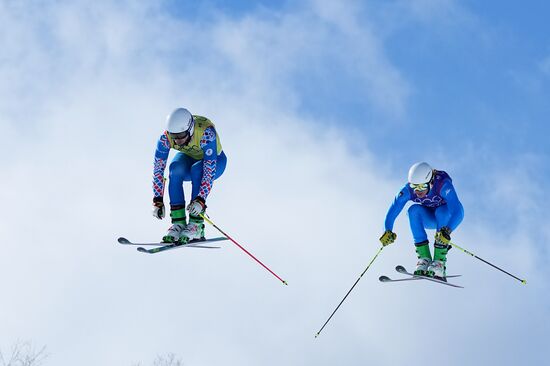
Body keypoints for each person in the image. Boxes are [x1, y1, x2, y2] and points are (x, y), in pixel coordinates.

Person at [151, 107, 227, 243]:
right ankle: (178, 223)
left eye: (181, 136)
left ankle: (196, 226)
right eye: (174, 137)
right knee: (175, 169)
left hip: (216, 161)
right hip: (190, 156)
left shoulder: (206, 134)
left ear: (190, 129)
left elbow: (209, 170)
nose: (178, 141)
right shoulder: (165, 139)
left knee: (198, 170)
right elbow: (158, 169)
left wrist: (200, 200)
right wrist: (157, 199)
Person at [379, 162, 464, 280]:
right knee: (413, 211)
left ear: (431, 181)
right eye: (415, 187)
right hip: (430, 217)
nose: (418, 191)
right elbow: (392, 211)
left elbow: (458, 211)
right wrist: (387, 230)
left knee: (442, 211)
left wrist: (447, 231)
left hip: (447, 217)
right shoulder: (407, 190)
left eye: (422, 187)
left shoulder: (443, 185)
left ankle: (439, 262)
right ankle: (424, 258)